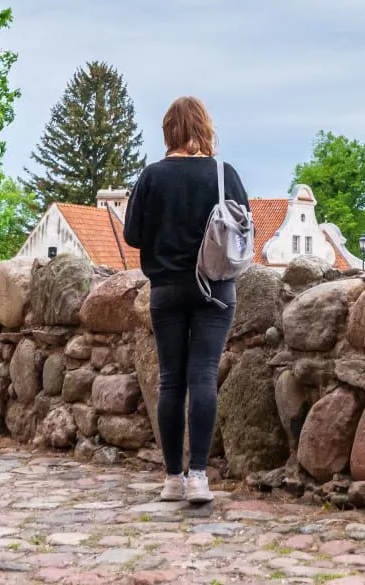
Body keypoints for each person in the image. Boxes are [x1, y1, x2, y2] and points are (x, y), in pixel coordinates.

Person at [123, 96, 246, 504]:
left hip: (167, 288)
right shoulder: (222, 174)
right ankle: (199, 477)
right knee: (204, 376)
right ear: (205, 128)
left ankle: (172, 478)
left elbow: (132, 236)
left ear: (168, 131)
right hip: (215, 288)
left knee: (171, 380)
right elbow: (243, 228)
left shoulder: (153, 176)